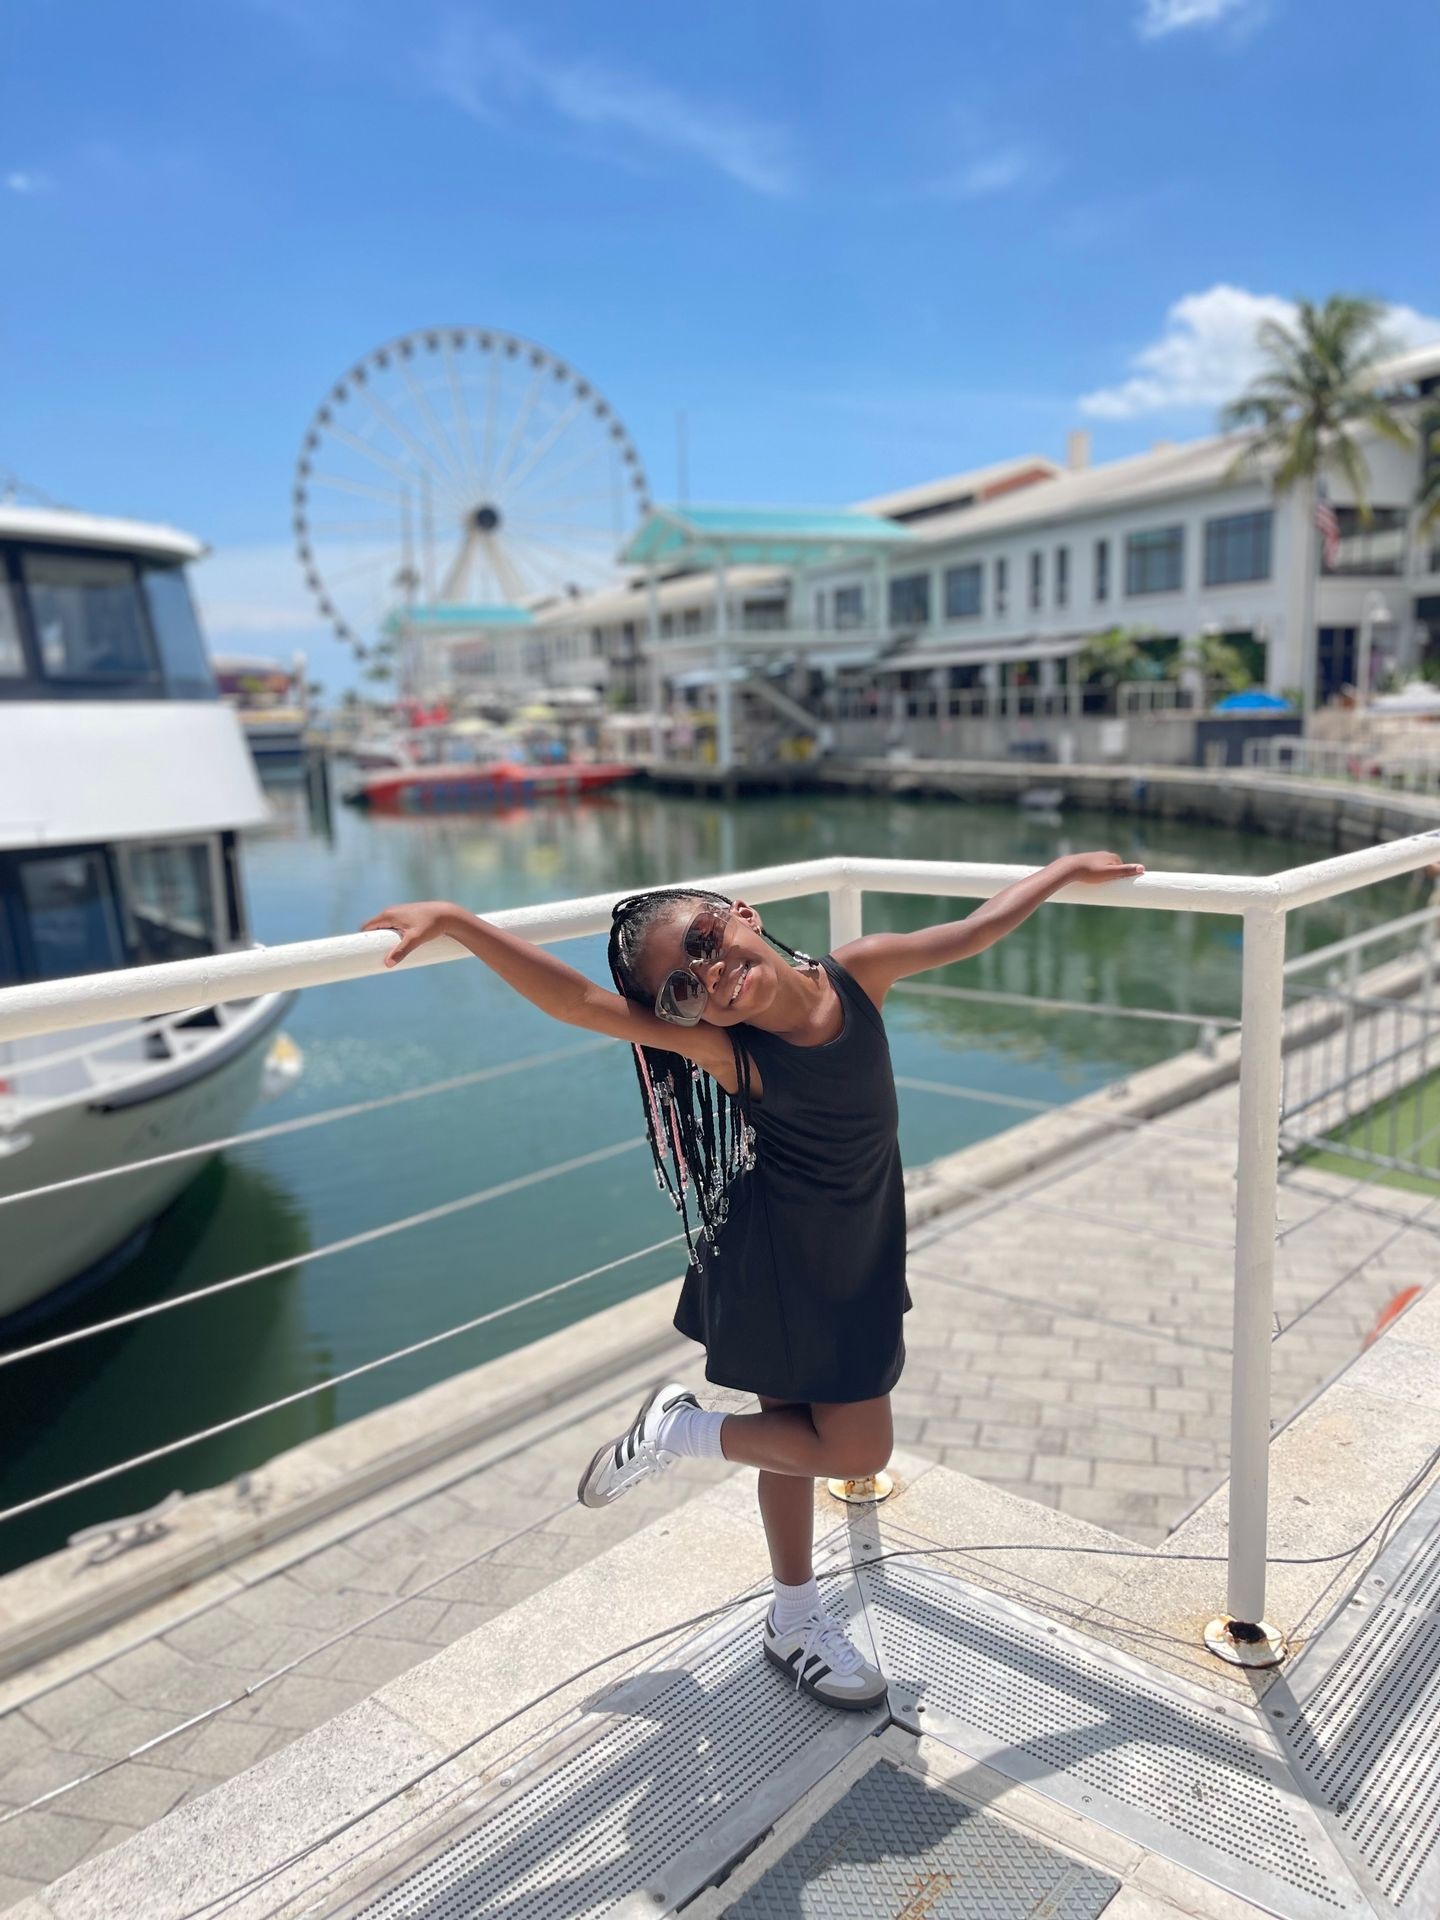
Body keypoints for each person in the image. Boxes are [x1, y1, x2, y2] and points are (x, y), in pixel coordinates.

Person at [360, 848, 1144, 1711]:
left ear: (743, 911)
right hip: (783, 1270)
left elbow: (975, 928)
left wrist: (1063, 868)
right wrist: (465, 923)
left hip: (860, 1251)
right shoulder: (735, 1054)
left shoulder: (863, 974)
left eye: (704, 938)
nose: (712, 974)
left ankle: (792, 1616)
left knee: (802, 1448)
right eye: (683, 986)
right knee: (854, 1449)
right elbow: (579, 1003)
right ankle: (680, 1437)